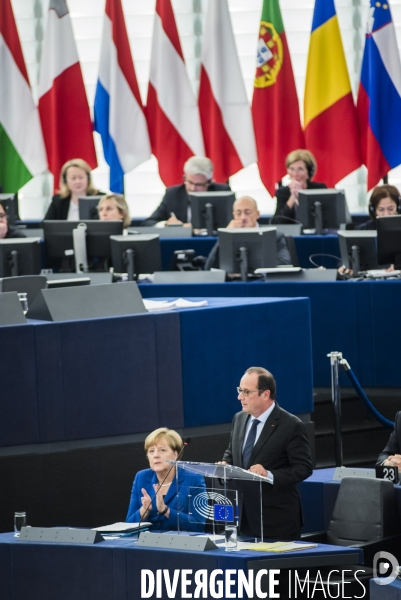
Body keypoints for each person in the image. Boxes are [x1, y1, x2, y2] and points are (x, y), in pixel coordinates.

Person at [220, 367, 312, 540]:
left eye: (246, 392)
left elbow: (303, 468)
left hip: (276, 520)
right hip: (242, 517)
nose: (240, 397)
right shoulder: (239, 418)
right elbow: (231, 452)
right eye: (240, 390)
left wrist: (268, 474)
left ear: (265, 394)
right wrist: (224, 465)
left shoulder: (291, 425)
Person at [126, 427, 205, 531]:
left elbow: (198, 525)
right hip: (147, 543)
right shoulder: (141, 477)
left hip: (181, 543)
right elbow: (128, 525)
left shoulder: (193, 479)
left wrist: (165, 510)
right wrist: (144, 510)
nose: (156, 455)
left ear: (175, 455)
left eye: (162, 450)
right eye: (151, 451)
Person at [205, 196, 291, 270]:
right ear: (233, 215)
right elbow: (209, 267)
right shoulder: (228, 237)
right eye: (238, 213)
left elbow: (285, 263)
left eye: (248, 212)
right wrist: (225, 236)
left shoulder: (274, 236)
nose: (243, 217)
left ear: (257, 214)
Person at [142, 156, 231, 226]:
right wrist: (166, 224)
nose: (192, 188)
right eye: (189, 182)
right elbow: (149, 222)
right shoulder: (173, 194)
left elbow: (233, 220)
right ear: (185, 177)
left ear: (209, 182)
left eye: (198, 185)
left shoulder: (223, 192)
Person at [274, 149, 327, 222]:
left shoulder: (319, 189)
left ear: (309, 172)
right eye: (292, 169)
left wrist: (303, 197)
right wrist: (292, 197)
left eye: (300, 169)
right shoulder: (282, 192)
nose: (295, 174)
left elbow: (321, 217)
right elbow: (277, 221)